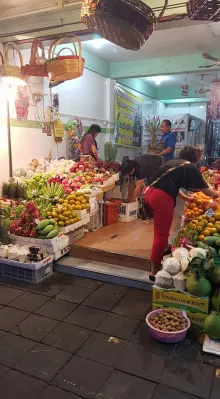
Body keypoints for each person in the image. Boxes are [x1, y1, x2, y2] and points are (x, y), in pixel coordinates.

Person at [142, 145, 219, 281]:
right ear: (195, 158)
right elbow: (208, 191)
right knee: (160, 234)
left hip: (148, 191)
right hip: (160, 197)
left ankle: (165, 248)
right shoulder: (190, 167)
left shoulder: (173, 163)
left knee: (160, 229)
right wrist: (217, 193)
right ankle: (154, 272)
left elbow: (171, 184)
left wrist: (187, 198)